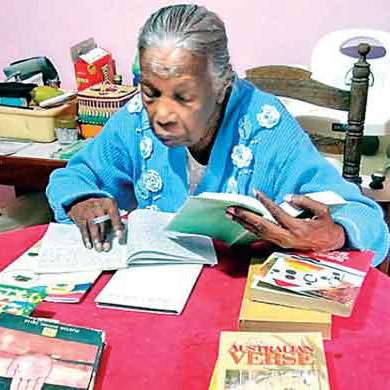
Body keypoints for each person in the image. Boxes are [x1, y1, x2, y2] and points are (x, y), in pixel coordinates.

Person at [46, 4, 389, 266]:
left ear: (223, 84)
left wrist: (334, 234)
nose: (162, 114)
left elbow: (366, 217)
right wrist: (81, 199)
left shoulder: (266, 127)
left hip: (235, 309)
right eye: (151, 92)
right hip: (155, 297)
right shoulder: (135, 118)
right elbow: (74, 175)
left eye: (184, 97)